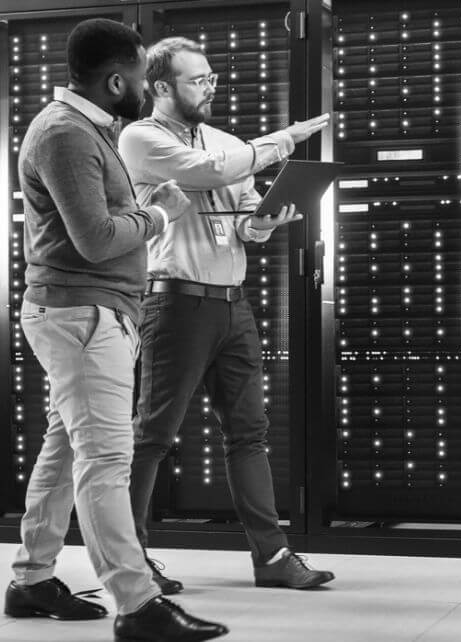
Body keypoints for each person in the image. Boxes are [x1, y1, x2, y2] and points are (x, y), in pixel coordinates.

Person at [1, 19, 228, 642]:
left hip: (90, 312)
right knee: (106, 458)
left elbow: (101, 223)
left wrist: (141, 209)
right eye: (140, 76)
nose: (147, 88)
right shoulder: (66, 134)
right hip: (82, 313)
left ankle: (31, 579)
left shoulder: (88, 129)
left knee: (66, 447)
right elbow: (98, 240)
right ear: (116, 78)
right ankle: (137, 604)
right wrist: (158, 213)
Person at [119, 36, 333, 593]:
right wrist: (282, 141)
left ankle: (273, 557)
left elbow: (239, 211)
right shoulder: (141, 138)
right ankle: (132, 561)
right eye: (197, 80)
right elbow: (212, 172)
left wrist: (262, 224)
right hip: (175, 302)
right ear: (161, 87)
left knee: (249, 434)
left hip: (232, 304)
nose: (209, 87)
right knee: (154, 435)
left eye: (211, 77)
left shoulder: (224, 141)